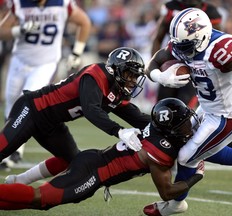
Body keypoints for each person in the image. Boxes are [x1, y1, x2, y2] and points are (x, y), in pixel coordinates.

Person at [143, 8, 232, 215]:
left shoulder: (219, 50)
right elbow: (154, 62)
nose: (181, 52)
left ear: (202, 36)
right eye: (179, 45)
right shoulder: (182, 43)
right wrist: (160, 77)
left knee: (187, 157)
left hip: (229, 115)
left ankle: (176, 205)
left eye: (186, 46)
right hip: (206, 107)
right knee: (179, 139)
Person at [0, 98, 205, 210]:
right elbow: (167, 192)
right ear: (170, 129)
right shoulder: (159, 151)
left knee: (41, 204)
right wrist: (196, 176)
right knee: (40, 197)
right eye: (183, 123)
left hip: (93, 163)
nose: (189, 126)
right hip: (92, 172)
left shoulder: (157, 132)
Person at [0, 47, 150, 184]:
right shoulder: (95, 74)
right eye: (129, 75)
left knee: (72, 162)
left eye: (136, 76)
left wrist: (164, 124)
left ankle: (18, 181)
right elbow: (91, 110)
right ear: (115, 70)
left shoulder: (117, 92)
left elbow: (137, 117)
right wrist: (119, 131)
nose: (133, 81)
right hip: (32, 109)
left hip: (52, 123)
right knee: (2, 148)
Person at [0, 0, 91, 168]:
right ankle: (12, 148)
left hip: (46, 63)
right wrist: (19, 30)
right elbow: (1, 31)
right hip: (20, 60)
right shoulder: (20, 4)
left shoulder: (62, 4)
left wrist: (76, 52)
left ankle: (14, 151)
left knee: (27, 101)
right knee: (11, 102)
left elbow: (84, 22)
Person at [151, 0, 222, 108]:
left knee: (184, 108)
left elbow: (218, 42)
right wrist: (158, 64)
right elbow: (158, 38)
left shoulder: (211, 12)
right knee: (162, 108)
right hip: (172, 60)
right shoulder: (171, 7)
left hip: (196, 65)